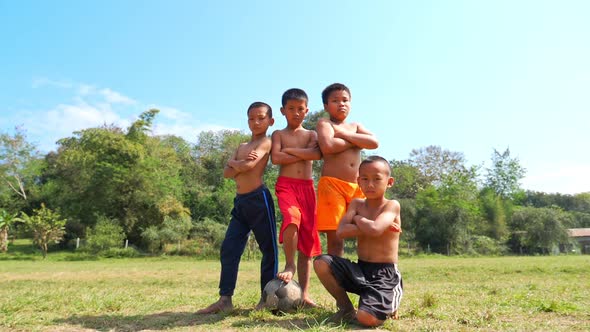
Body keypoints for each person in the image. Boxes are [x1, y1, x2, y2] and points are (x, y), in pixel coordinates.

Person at [197, 102, 279, 314]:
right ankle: (225, 299)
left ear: (271, 121)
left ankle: (265, 298)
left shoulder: (266, 142)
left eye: (261, 118)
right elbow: (226, 173)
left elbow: (247, 167)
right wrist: (237, 163)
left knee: (268, 249)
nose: (256, 122)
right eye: (251, 118)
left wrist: (234, 163)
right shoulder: (243, 146)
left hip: (258, 199)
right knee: (229, 248)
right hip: (240, 202)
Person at [314, 155, 403, 327]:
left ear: (389, 182)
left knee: (366, 319)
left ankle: (389, 301)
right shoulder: (357, 204)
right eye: (365, 179)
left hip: (384, 274)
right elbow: (341, 232)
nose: (370, 184)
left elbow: (375, 230)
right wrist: (369, 224)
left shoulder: (391, 205)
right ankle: (346, 308)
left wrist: (358, 220)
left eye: (377, 179)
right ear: (358, 181)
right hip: (360, 269)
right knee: (321, 262)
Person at [270, 88, 322, 307]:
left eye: (300, 109)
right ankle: (289, 264)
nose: (296, 113)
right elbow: (275, 158)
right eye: (291, 109)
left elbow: (316, 154)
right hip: (287, 186)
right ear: (283, 111)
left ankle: (305, 294)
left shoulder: (311, 135)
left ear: (306, 110)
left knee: (308, 242)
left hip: (307, 189)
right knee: (291, 217)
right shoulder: (278, 135)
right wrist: (300, 153)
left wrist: (289, 152)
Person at [316, 83, 379, 256]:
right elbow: (328, 146)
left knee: (368, 231)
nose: (341, 104)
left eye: (345, 100)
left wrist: (344, 135)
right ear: (326, 106)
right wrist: (358, 141)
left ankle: (366, 276)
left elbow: (374, 142)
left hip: (358, 186)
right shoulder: (325, 123)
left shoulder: (355, 126)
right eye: (335, 100)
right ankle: (336, 280)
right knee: (336, 237)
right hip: (332, 186)